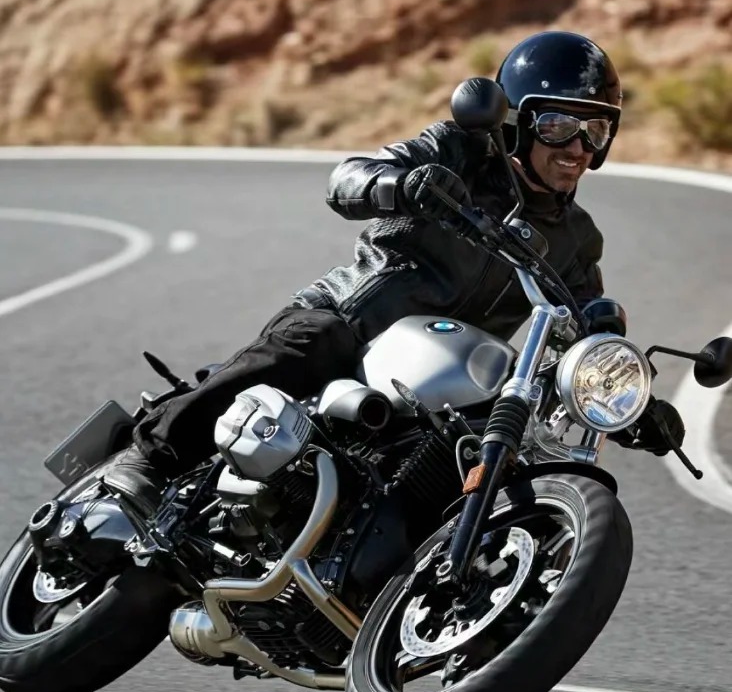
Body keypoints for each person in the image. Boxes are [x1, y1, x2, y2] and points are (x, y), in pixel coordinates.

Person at [105, 30, 683, 516]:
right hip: (355, 324)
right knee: (312, 343)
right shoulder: (459, 150)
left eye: (596, 130)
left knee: (482, 458)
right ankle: (149, 457)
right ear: (515, 121)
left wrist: (629, 402)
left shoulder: (577, 239)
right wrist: (400, 184)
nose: (578, 146)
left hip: (441, 392)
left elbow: (585, 335)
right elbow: (349, 177)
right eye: (558, 125)